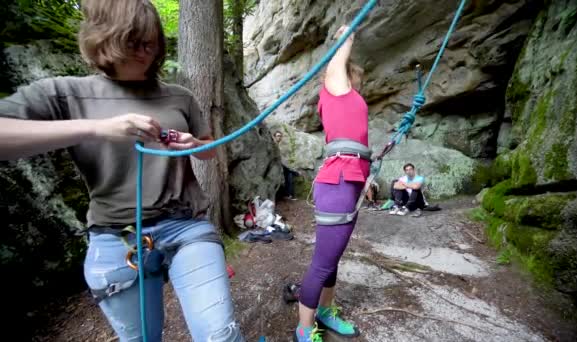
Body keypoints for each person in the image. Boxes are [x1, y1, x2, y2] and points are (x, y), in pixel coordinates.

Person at [0, 1, 245, 341]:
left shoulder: (180, 96)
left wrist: (194, 146)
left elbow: (211, 151)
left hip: (186, 226)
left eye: (151, 42)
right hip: (115, 237)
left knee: (221, 335)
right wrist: (95, 129)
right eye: (133, 42)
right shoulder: (64, 93)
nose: (146, 52)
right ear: (105, 39)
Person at [294, 24, 369, 342]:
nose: (360, 88)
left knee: (332, 257)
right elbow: (336, 66)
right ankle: (303, 327)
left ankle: (325, 310)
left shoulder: (347, 98)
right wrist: (347, 38)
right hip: (338, 181)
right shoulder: (336, 89)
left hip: (348, 180)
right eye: (358, 81)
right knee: (323, 262)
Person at [272, 130, 298, 200]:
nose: (279, 138)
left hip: (279, 165)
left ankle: (289, 194)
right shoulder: (272, 145)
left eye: (280, 136)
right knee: (290, 172)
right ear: (274, 137)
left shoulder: (278, 146)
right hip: (274, 165)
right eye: (278, 136)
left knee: (289, 173)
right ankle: (289, 194)